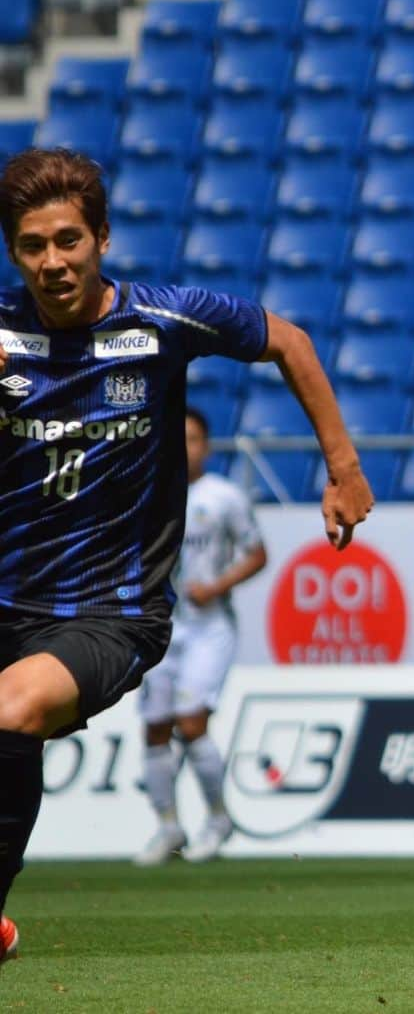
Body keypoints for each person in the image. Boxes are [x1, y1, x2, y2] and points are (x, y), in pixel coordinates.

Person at [0, 148, 373, 963]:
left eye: (69, 239)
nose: (53, 262)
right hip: (6, 600)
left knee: (11, 710)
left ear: (102, 236)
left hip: (112, 612)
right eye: (32, 246)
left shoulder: (162, 320)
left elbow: (291, 342)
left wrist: (342, 470)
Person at [134, 407, 267, 866]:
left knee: (191, 723)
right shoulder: (148, 493)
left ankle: (217, 818)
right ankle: (169, 828)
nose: (185, 448)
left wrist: (217, 586)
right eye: (178, 438)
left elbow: (257, 554)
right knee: (154, 727)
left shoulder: (224, 497)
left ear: (206, 447)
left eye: (193, 439)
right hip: (161, 628)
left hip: (210, 627)